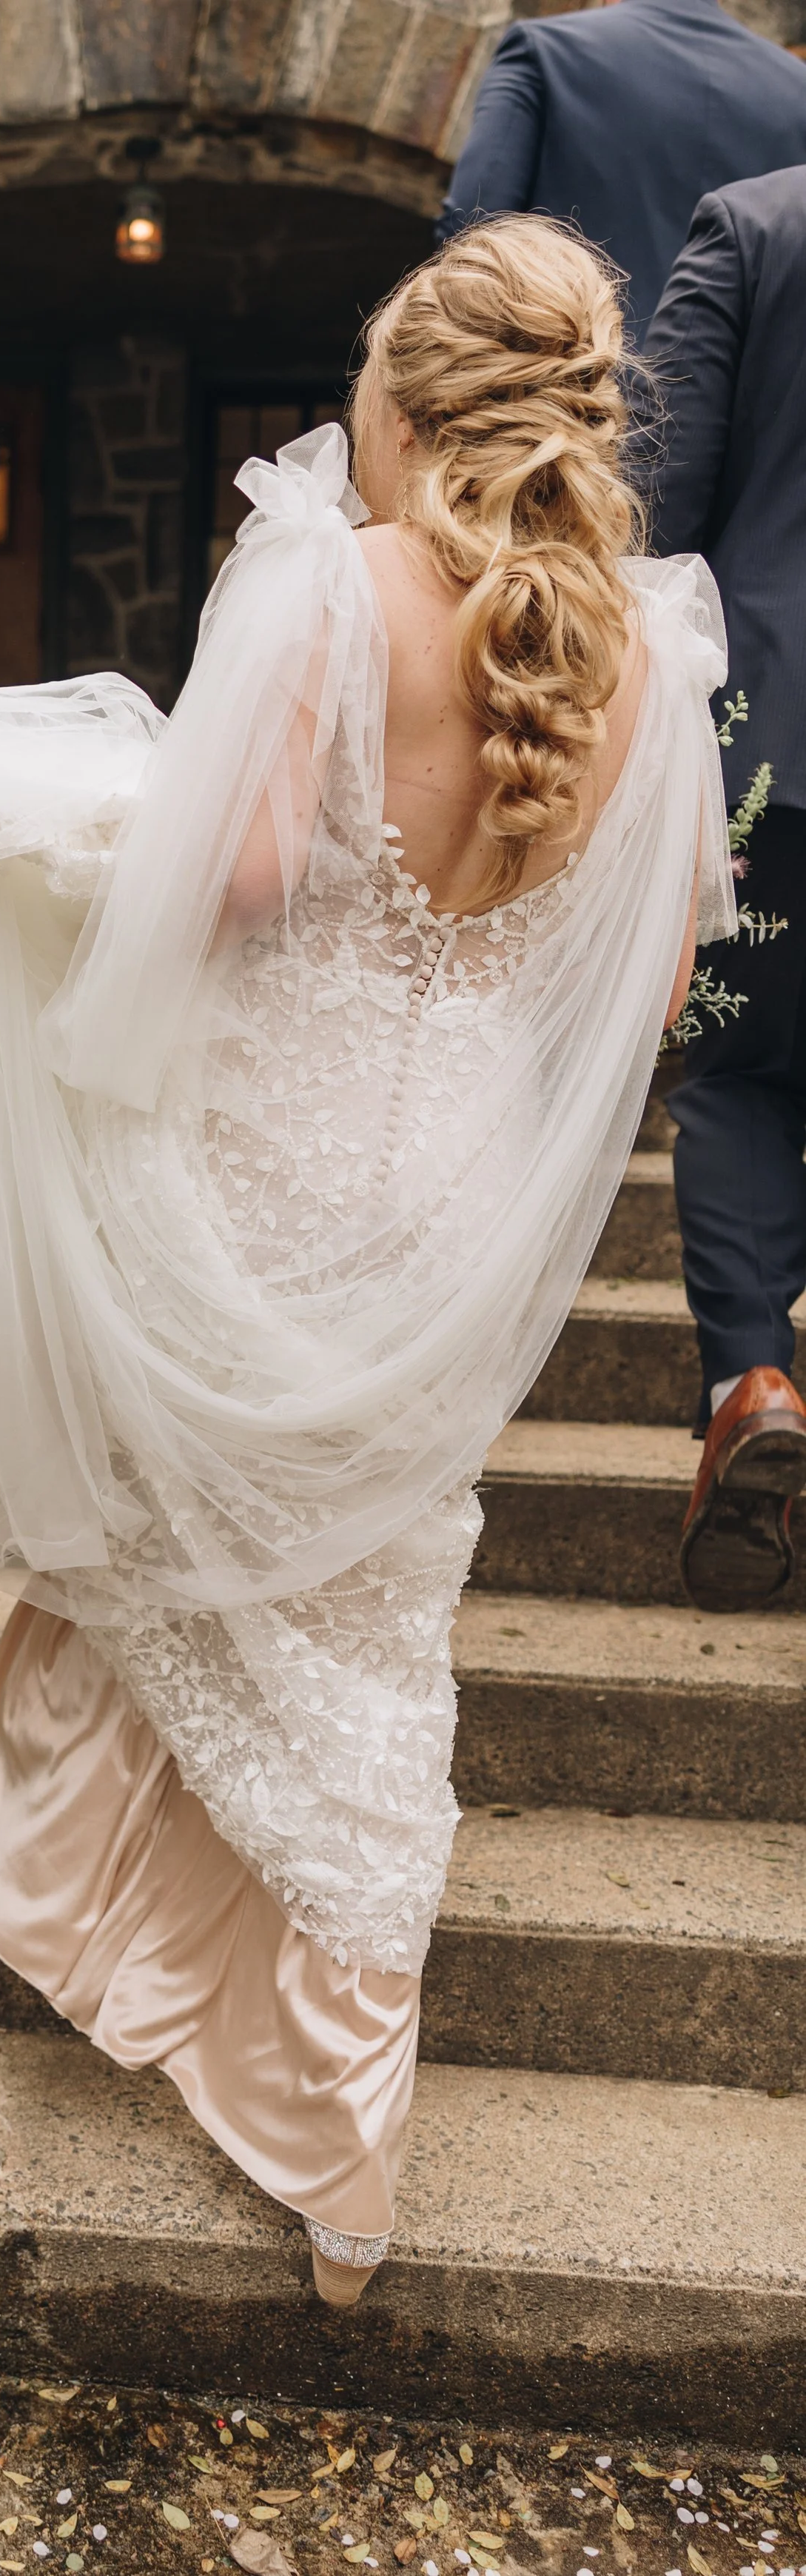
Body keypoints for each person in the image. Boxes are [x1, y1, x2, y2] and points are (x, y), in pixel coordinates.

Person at [0, 219, 728, 2305]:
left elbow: (241, 874)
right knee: (363, 1598)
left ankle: (134, 1946)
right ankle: (305, 2072)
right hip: (445, 1189)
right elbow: (645, 999)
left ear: (412, 400)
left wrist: (69, 853)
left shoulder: (336, 594)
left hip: (264, 1157)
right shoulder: (654, 654)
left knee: (158, 1519)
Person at [643, 165, 806, 1610]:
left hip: (769, 741)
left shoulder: (752, 226)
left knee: (740, 1079)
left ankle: (750, 1376)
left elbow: (666, 506)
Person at [436, 0, 806, 342]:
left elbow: (471, 233)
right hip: (714, 399)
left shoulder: (547, 50)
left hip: (556, 386)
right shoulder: (796, 95)